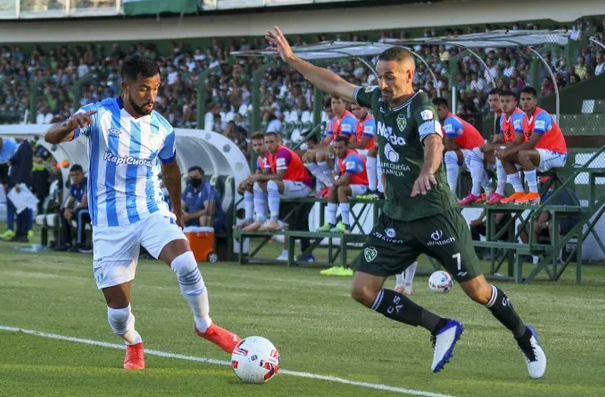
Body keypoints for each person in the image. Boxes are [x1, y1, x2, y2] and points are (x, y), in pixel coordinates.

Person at [266, 27, 545, 377]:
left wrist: (428, 170)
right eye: (379, 77)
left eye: (390, 77)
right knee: (362, 290)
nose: (383, 84)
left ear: (409, 75)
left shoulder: (422, 108)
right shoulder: (378, 100)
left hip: (435, 215)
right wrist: (292, 60)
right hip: (396, 216)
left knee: (477, 291)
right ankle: (440, 326)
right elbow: (335, 84)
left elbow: (434, 142)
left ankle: (524, 335)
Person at [44, 56, 240, 371]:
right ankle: (134, 342)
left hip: (149, 211)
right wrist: (68, 125)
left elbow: (171, 168)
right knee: (119, 315)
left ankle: (205, 325)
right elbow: (51, 137)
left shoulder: (162, 127)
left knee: (186, 262)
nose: (151, 97)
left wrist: (176, 209)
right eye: (143, 89)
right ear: (125, 87)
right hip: (110, 225)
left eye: (156, 89)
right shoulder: (98, 115)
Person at [498, 86, 568, 205]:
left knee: (522, 154)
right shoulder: (524, 118)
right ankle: (519, 192)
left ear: (535, 101)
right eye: (523, 99)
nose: (525, 102)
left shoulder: (542, 116)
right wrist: (504, 152)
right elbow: (519, 142)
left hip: (557, 154)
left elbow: (531, 143)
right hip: (539, 154)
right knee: (504, 157)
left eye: (528, 99)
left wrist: (507, 151)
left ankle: (534, 194)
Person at [245, 132, 312, 232]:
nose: (268, 145)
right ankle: (260, 219)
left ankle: (274, 221)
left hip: (302, 185)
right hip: (289, 186)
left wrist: (258, 176)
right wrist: (254, 178)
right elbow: (265, 174)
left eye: (271, 142)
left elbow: (280, 176)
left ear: (278, 142)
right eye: (266, 142)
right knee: (257, 185)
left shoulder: (282, 153)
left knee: (272, 183)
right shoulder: (269, 154)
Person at [303, 97, 357, 197]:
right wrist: (312, 150)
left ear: (345, 104)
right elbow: (325, 142)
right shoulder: (333, 121)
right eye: (333, 103)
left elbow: (343, 142)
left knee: (322, 155)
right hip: (337, 147)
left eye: (338, 102)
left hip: (350, 149)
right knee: (307, 157)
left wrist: (322, 149)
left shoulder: (348, 119)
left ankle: (335, 183)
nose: (335, 105)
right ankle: (328, 184)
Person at [432, 97, 485, 197]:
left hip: (478, 153)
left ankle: (451, 193)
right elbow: (451, 145)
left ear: (446, 109)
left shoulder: (450, 121)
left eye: (439, 110)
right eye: (434, 110)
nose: (436, 113)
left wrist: (448, 146)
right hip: (468, 153)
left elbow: (449, 146)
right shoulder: (441, 123)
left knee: (448, 155)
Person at [459, 88, 502, 205]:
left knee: (475, 153)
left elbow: (512, 141)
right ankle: (484, 191)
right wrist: (491, 145)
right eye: (490, 100)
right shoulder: (498, 118)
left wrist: (491, 146)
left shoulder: (511, 116)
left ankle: (482, 191)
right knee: (473, 154)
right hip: (502, 153)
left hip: (513, 154)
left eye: (496, 100)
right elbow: (499, 140)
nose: (493, 103)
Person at [52, 164, 88, 252]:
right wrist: (67, 210)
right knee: (62, 211)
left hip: (93, 212)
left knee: (80, 212)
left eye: (77, 174)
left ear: (82, 174)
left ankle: (80, 244)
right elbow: (71, 201)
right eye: (72, 175)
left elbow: (84, 203)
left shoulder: (87, 184)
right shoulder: (74, 186)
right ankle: (66, 243)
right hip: (83, 211)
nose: (74, 177)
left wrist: (72, 212)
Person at [236, 132, 267, 229]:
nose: (257, 147)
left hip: (275, 188)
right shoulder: (259, 159)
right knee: (248, 187)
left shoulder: (270, 156)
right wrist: (248, 181)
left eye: (260, 144)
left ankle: (260, 219)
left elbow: (268, 175)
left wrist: (252, 180)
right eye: (255, 145)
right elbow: (258, 174)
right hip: (264, 187)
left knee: (255, 185)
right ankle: (249, 219)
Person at [182, 166, 226, 232]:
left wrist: (189, 216)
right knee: (177, 218)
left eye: (195, 177)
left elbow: (209, 211)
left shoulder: (208, 189)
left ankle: (207, 241)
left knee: (204, 219)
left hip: (214, 219)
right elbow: (181, 206)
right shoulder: (189, 188)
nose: (192, 179)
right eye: (190, 177)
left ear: (202, 177)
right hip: (192, 219)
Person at [7, 138, 33, 243]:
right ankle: (19, 233)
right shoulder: (20, 146)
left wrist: (19, 181)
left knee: (23, 209)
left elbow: (25, 166)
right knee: (18, 209)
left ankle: (23, 234)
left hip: (20, 183)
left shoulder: (25, 146)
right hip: (16, 182)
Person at [0, 136, 18, 240]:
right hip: (8, 183)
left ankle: (24, 230)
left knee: (21, 206)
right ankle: (10, 229)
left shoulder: (12, 147)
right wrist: (4, 183)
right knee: (10, 206)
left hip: (17, 182)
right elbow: (2, 169)